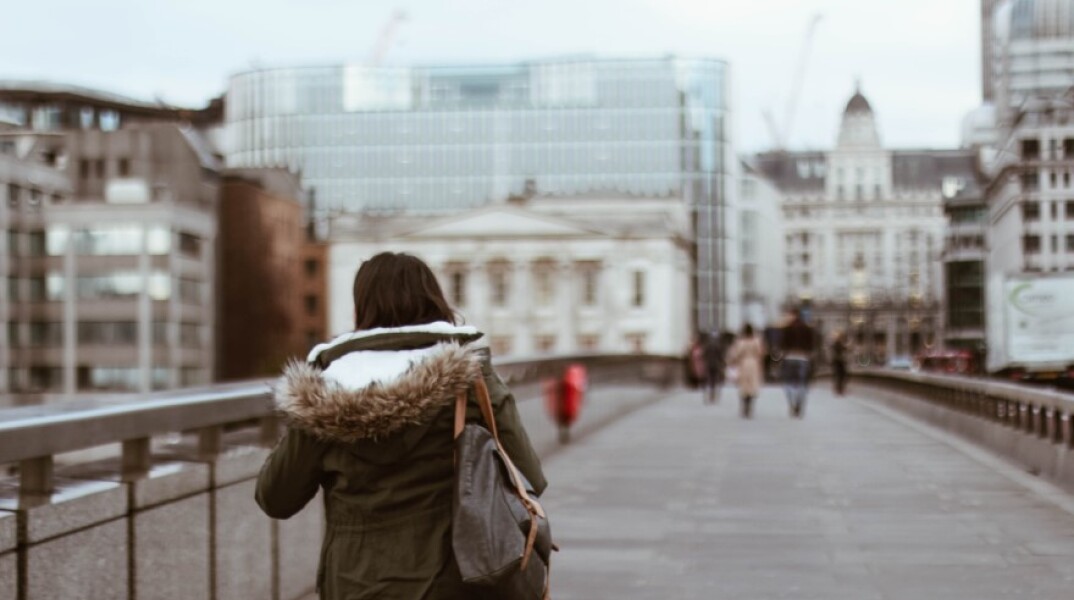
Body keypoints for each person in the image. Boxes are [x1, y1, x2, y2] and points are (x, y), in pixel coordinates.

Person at [255, 252, 546, 600]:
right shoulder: (468, 380)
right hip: (454, 584)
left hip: (354, 584)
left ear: (361, 310)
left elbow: (276, 498)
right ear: (435, 302)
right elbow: (530, 477)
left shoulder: (323, 390)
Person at [780, 307, 816, 418]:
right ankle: (799, 403)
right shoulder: (807, 329)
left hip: (790, 357)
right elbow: (812, 345)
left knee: (788, 382)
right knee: (802, 383)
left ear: (793, 315)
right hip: (803, 358)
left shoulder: (787, 329)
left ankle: (791, 403)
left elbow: (782, 345)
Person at [727, 324, 765, 418]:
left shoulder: (740, 342)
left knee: (744, 385)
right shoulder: (757, 341)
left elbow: (735, 354)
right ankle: (750, 405)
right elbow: (761, 353)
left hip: (743, 364)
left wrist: (732, 361)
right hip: (754, 363)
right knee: (752, 385)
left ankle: (744, 405)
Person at [701, 330, 725, 404]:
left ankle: (710, 394)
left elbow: (704, 355)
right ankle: (712, 395)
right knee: (714, 380)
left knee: (710, 379)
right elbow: (721, 356)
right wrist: (722, 363)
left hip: (709, 364)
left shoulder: (707, 345)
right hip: (715, 364)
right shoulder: (718, 345)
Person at [831, 330, 849, 396]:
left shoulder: (839, 343)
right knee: (840, 375)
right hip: (838, 361)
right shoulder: (838, 343)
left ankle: (839, 388)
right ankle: (839, 389)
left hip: (838, 361)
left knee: (840, 375)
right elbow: (842, 349)